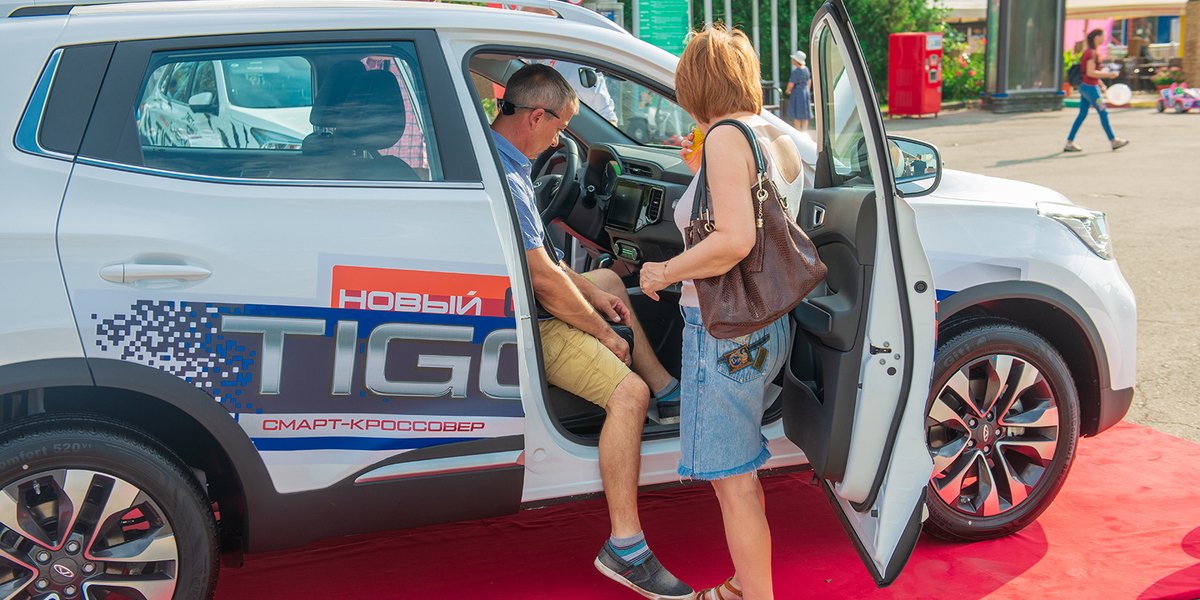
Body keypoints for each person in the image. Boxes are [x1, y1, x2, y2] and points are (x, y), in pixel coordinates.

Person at [489, 64, 692, 600]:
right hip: (528, 319)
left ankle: (669, 393)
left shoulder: (499, 158)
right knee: (628, 395)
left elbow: (545, 265)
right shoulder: (508, 177)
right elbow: (542, 283)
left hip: (529, 298)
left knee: (609, 281)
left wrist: (593, 293)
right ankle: (626, 548)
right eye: (561, 128)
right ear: (537, 117)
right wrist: (603, 333)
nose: (561, 141)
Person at [640, 26, 802, 600]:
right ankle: (743, 586)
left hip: (724, 330)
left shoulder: (726, 139)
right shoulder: (772, 135)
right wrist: (701, 170)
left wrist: (664, 271)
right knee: (742, 480)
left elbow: (734, 240)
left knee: (735, 486)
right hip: (766, 323)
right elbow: (760, 218)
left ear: (695, 84)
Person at [1065, 29, 1129, 152]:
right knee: (1103, 112)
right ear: (1096, 37)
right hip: (1090, 88)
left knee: (1082, 114)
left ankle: (1069, 142)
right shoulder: (1091, 53)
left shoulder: (1090, 52)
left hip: (1085, 86)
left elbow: (1088, 73)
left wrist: (1100, 83)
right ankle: (1113, 140)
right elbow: (1090, 72)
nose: (1104, 38)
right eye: (1103, 36)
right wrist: (1109, 75)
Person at [784, 50, 812, 131]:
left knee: (797, 115)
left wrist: (787, 91)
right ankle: (805, 131)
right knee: (805, 115)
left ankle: (798, 131)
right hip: (805, 93)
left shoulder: (796, 72)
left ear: (796, 61)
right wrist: (807, 90)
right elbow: (809, 81)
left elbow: (791, 84)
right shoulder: (806, 69)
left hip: (797, 94)